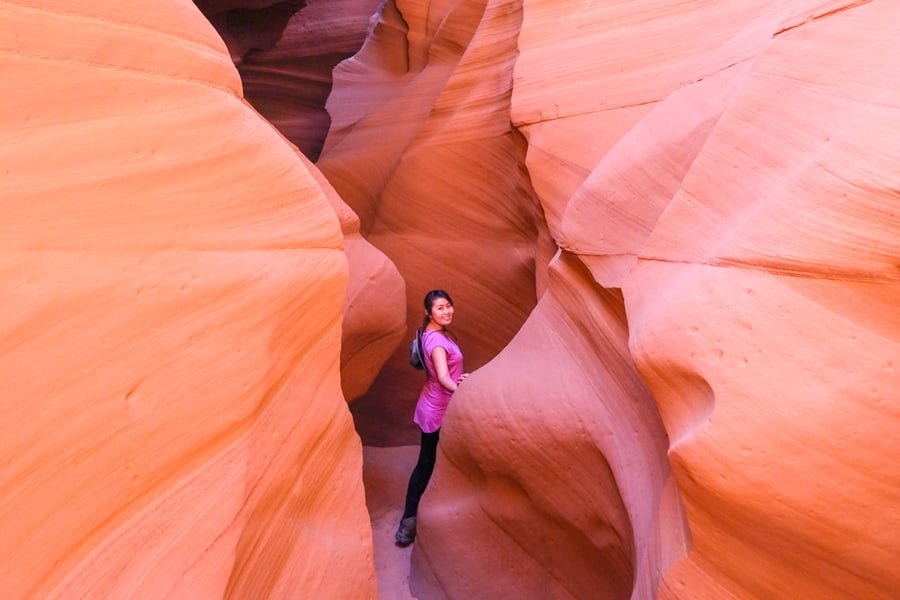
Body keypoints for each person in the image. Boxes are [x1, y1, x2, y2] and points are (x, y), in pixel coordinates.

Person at [395, 289, 468, 546]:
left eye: (449, 305)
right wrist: (464, 390)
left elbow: (447, 373)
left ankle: (417, 518)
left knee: (430, 462)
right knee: (426, 464)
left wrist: (457, 380)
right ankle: (409, 521)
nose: (446, 311)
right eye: (440, 308)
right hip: (437, 409)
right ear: (429, 312)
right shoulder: (436, 341)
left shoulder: (432, 334)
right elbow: (443, 377)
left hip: (434, 402)